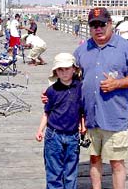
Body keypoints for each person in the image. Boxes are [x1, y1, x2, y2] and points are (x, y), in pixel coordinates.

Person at [73, 7, 128, 189]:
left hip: (115, 116)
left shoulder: (126, 47)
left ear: (110, 24)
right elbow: (70, 80)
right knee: (94, 158)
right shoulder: (81, 50)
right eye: (93, 25)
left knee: (116, 163)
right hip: (90, 117)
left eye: (102, 24)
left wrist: (117, 83)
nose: (98, 28)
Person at [35, 53, 85, 189]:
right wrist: (40, 130)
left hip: (73, 136)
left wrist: (83, 126)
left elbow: (81, 110)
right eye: (60, 69)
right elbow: (47, 112)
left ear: (74, 69)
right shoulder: (51, 90)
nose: (64, 73)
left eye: (67, 69)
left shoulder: (80, 88)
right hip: (53, 135)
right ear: (55, 71)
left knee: (71, 172)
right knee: (53, 172)